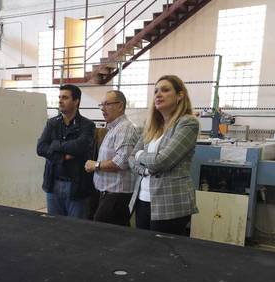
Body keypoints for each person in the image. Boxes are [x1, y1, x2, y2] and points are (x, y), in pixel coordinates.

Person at [128, 75, 199, 235]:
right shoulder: (152, 126)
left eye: (165, 90)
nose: (158, 95)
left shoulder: (187, 123)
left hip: (170, 203)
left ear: (180, 95)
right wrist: (145, 170)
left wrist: (140, 154)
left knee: (164, 250)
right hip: (143, 198)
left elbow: (161, 161)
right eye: (156, 91)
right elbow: (131, 158)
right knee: (144, 247)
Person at [36, 84, 95, 218]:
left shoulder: (87, 125)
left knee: (75, 227)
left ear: (76, 101)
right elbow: (40, 148)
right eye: (59, 97)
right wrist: (62, 157)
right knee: (54, 226)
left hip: (76, 187)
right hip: (53, 184)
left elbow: (79, 146)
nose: (60, 101)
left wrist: (55, 144)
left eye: (65, 97)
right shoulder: (52, 123)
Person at [84, 90, 141, 226]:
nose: (103, 108)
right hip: (108, 194)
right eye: (101, 105)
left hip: (116, 196)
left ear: (120, 106)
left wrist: (96, 165)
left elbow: (122, 162)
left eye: (107, 104)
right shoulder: (114, 128)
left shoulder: (125, 128)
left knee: (104, 233)